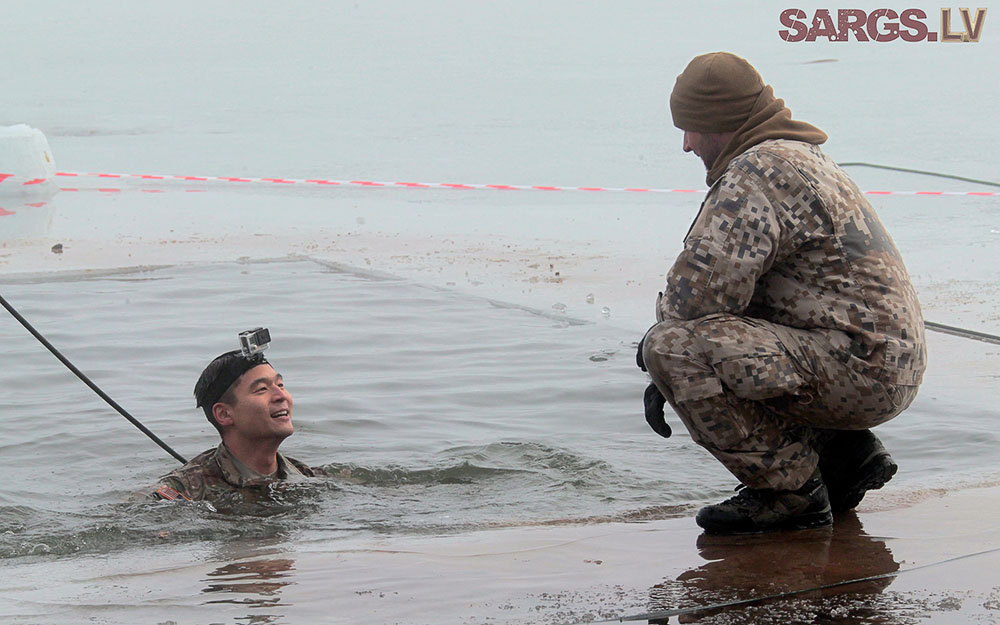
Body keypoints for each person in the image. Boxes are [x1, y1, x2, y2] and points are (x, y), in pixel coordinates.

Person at [637, 52, 926, 534]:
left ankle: (790, 490)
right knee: (729, 328)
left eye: (691, 128)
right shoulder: (802, 155)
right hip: (881, 362)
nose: (686, 145)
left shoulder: (757, 174)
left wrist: (656, 366)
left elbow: (695, 300)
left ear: (721, 122)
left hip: (859, 370)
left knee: (673, 346)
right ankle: (844, 455)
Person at [151, 341, 320, 502]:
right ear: (224, 414)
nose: (281, 396)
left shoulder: (307, 477)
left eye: (281, 385)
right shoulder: (183, 490)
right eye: (262, 389)